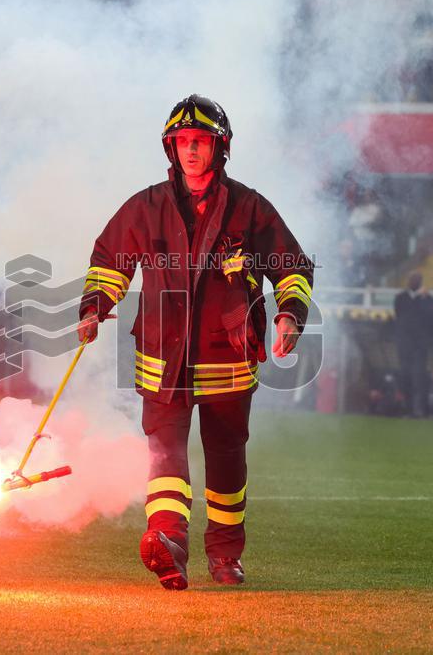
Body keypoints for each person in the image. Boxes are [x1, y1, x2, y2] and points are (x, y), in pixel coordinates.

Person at [77, 94, 314, 590]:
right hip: (162, 357)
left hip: (228, 357)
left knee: (226, 459)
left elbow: (291, 266)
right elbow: (109, 261)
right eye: (182, 141)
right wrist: (95, 305)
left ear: (219, 147)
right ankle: (168, 542)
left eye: (200, 141)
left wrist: (289, 315)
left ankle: (225, 555)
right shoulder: (145, 207)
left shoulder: (249, 207)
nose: (190, 150)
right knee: (164, 455)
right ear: (171, 148)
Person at [393, 272, 433, 417]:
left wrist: (423, 298)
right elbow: (399, 316)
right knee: (405, 376)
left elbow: (430, 316)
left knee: (419, 378)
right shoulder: (400, 297)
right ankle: (407, 408)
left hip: (419, 346)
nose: (412, 282)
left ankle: (420, 409)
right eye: (411, 279)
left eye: (415, 280)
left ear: (420, 282)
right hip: (404, 345)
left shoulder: (427, 299)